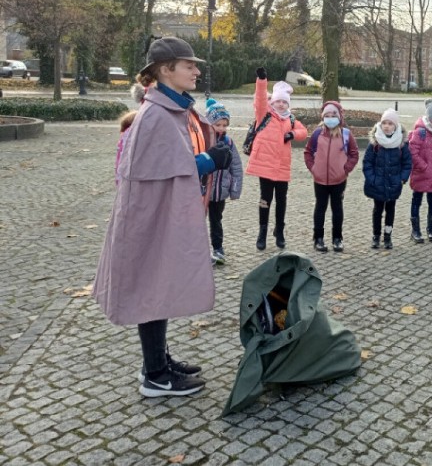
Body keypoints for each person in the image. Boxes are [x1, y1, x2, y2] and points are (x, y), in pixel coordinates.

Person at [93, 36, 233, 398]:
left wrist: (206, 155)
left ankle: (158, 360)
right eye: (189, 65)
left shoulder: (170, 109)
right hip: (149, 219)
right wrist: (208, 161)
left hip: (159, 215)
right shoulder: (155, 114)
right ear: (165, 69)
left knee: (159, 284)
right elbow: (154, 168)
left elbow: (169, 162)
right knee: (152, 286)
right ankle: (155, 375)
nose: (196, 71)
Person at [246, 71, 308, 251]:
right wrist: (262, 80)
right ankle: (262, 231)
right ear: (272, 102)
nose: (281, 104)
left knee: (282, 200)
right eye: (278, 101)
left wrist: (293, 134)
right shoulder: (264, 114)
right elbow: (259, 98)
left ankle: (279, 230)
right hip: (265, 167)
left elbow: (303, 132)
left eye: (284, 102)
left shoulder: (291, 118)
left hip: (282, 166)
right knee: (265, 199)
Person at [304, 101, 359, 252]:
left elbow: (354, 154)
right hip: (320, 180)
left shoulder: (346, 134)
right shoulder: (317, 134)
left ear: (339, 116)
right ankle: (318, 239)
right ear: (323, 117)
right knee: (320, 208)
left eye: (333, 115)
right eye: (327, 115)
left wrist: (345, 169)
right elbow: (308, 152)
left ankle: (337, 238)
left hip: (339, 180)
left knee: (337, 208)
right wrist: (313, 168)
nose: (330, 118)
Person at [363, 108, 412, 250]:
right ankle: (376, 236)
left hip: (394, 184)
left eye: (390, 123)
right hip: (377, 183)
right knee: (377, 210)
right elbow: (367, 163)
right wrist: (372, 179)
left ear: (395, 125)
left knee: (390, 210)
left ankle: (388, 236)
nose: (387, 126)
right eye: (384, 123)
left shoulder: (401, 144)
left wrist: (402, 179)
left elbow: (407, 163)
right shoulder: (375, 143)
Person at [205, 98, 244, 265]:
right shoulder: (204, 141)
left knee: (216, 221)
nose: (221, 128)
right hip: (202, 191)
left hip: (220, 192)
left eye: (224, 125)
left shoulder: (228, 143)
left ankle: (218, 248)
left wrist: (234, 189)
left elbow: (236, 167)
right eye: (218, 124)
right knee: (196, 221)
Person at [408, 100, 432, 243]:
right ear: (431, 119)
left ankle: (431, 230)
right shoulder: (420, 132)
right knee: (416, 201)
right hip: (421, 173)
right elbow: (412, 152)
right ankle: (416, 230)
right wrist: (424, 166)